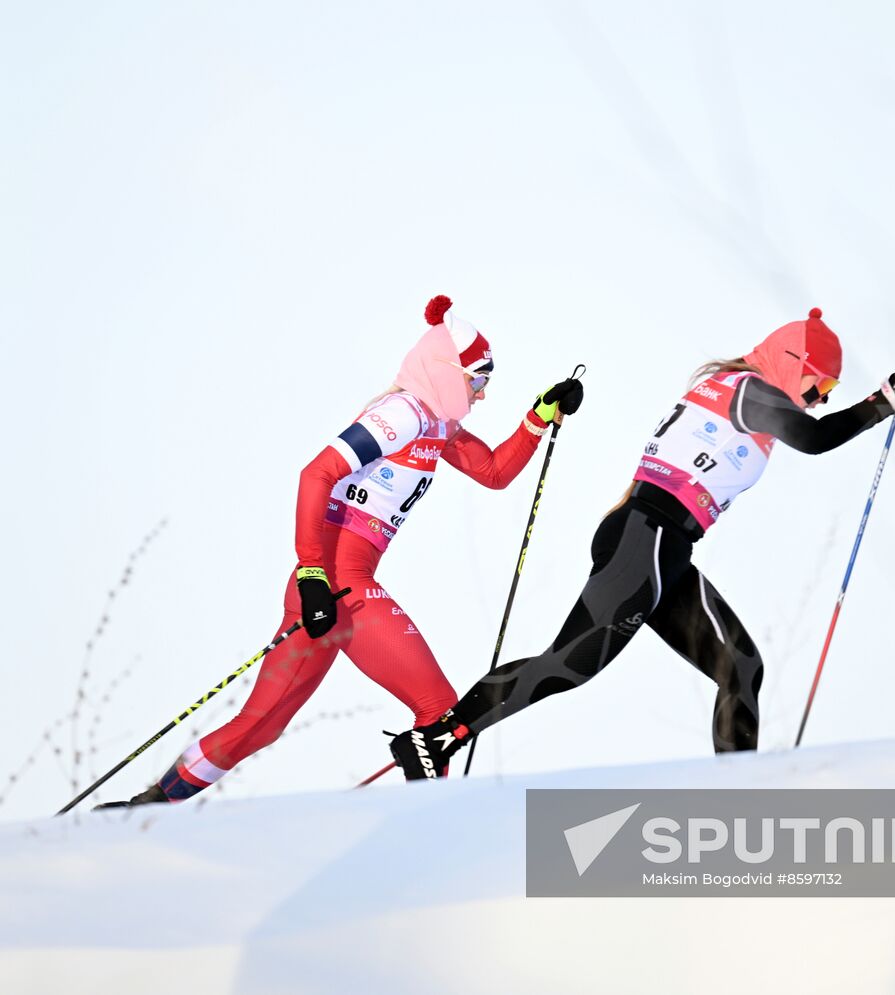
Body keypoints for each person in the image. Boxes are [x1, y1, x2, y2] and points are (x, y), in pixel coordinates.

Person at [388, 307, 895, 780]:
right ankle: (440, 737)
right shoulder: (751, 391)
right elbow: (816, 439)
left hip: (658, 545)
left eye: (827, 394)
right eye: (818, 387)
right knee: (568, 665)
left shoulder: (734, 389)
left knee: (740, 669)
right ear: (791, 363)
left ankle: (738, 797)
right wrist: (884, 402)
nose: (816, 400)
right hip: (648, 539)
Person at [98, 296, 583, 806]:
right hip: (338, 585)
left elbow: (493, 473)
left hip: (331, 588)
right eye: (477, 382)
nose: (482, 395)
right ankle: (432, 836)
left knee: (260, 724)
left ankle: (150, 807)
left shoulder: (438, 426)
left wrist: (538, 417)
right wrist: (311, 573)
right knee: (438, 711)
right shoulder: (402, 414)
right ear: (446, 372)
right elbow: (317, 473)